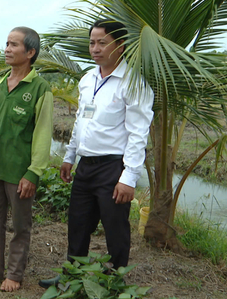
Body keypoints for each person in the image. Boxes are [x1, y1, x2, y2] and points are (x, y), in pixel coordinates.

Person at [39, 19, 154, 288]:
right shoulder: (87, 79)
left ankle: (115, 281)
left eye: (102, 42)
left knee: (115, 228)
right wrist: (69, 157)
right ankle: (72, 277)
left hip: (113, 167)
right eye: (92, 42)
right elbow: (81, 121)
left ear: (120, 46)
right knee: (77, 224)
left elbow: (138, 133)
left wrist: (129, 178)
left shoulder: (133, 82)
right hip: (86, 165)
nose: (95, 48)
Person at [0, 27, 53, 292]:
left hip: (19, 173)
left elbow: (42, 135)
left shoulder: (40, 89)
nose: (7, 48)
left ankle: (15, 275)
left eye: (13, 44)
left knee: (20, 226)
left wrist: (33, 173)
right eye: (6, 43)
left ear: (30, 52)